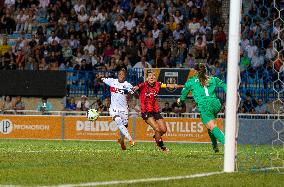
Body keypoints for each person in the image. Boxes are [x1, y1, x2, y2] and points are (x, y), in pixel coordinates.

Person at [177, 63, 226, 153]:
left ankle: (228, 145)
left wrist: (180, 101)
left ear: (195, 71)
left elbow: (183, 97)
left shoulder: (191, 82)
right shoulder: (213, 79)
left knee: (212, 126)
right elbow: (224, 85)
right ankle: (215, 146)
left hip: (205, 105)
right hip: (216, 103)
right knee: (210, 127)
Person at [133, 70, 181, 152]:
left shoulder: (158, 84)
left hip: (155, 111)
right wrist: (134, 89)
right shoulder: (143, 85)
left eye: (153, 75)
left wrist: (184, 86)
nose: (152, 77)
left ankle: (156, 137)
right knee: (157, 129)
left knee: (163, 130)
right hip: (146, 112)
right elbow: (136, 88)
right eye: (150, 76)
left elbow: (169, 85)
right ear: (147, 78)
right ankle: (162, 147)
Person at [99, 68, 135, 150]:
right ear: (117, 75)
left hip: (124, 109)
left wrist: (130, 97)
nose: (121, 76)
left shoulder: (128, 85)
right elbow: (103, 79)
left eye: (123, 74)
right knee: (118, 121)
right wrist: (100, 77)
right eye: (119, 74)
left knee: (124, 126)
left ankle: (122, 141)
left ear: (125, 76)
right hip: (113, 108)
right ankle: (130, 139)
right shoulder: (112, 81)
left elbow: (133, 94)